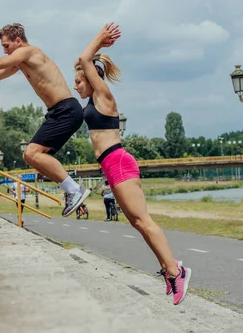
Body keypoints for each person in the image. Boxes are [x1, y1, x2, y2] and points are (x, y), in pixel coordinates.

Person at [73, 23, 191, 305]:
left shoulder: (103, 95)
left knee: (143, 221)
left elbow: (85, 58)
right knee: (136, 223)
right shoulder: (93, 100)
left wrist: (99, 40)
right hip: (111, 165)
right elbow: (83, 61)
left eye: (79, 80)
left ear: (93, 79)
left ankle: (177, 272)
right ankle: (168, 268)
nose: (75, 84)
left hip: (119, 161)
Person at [0, 23, 90, 216]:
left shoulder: (29, 52)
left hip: (66, 109)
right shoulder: (20, 61)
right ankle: (72, 190)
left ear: (18, 41)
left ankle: (74, 189)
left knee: (32, 152)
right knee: (32, 155)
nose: (4, 50)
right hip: (58, 112)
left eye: (6, 46)